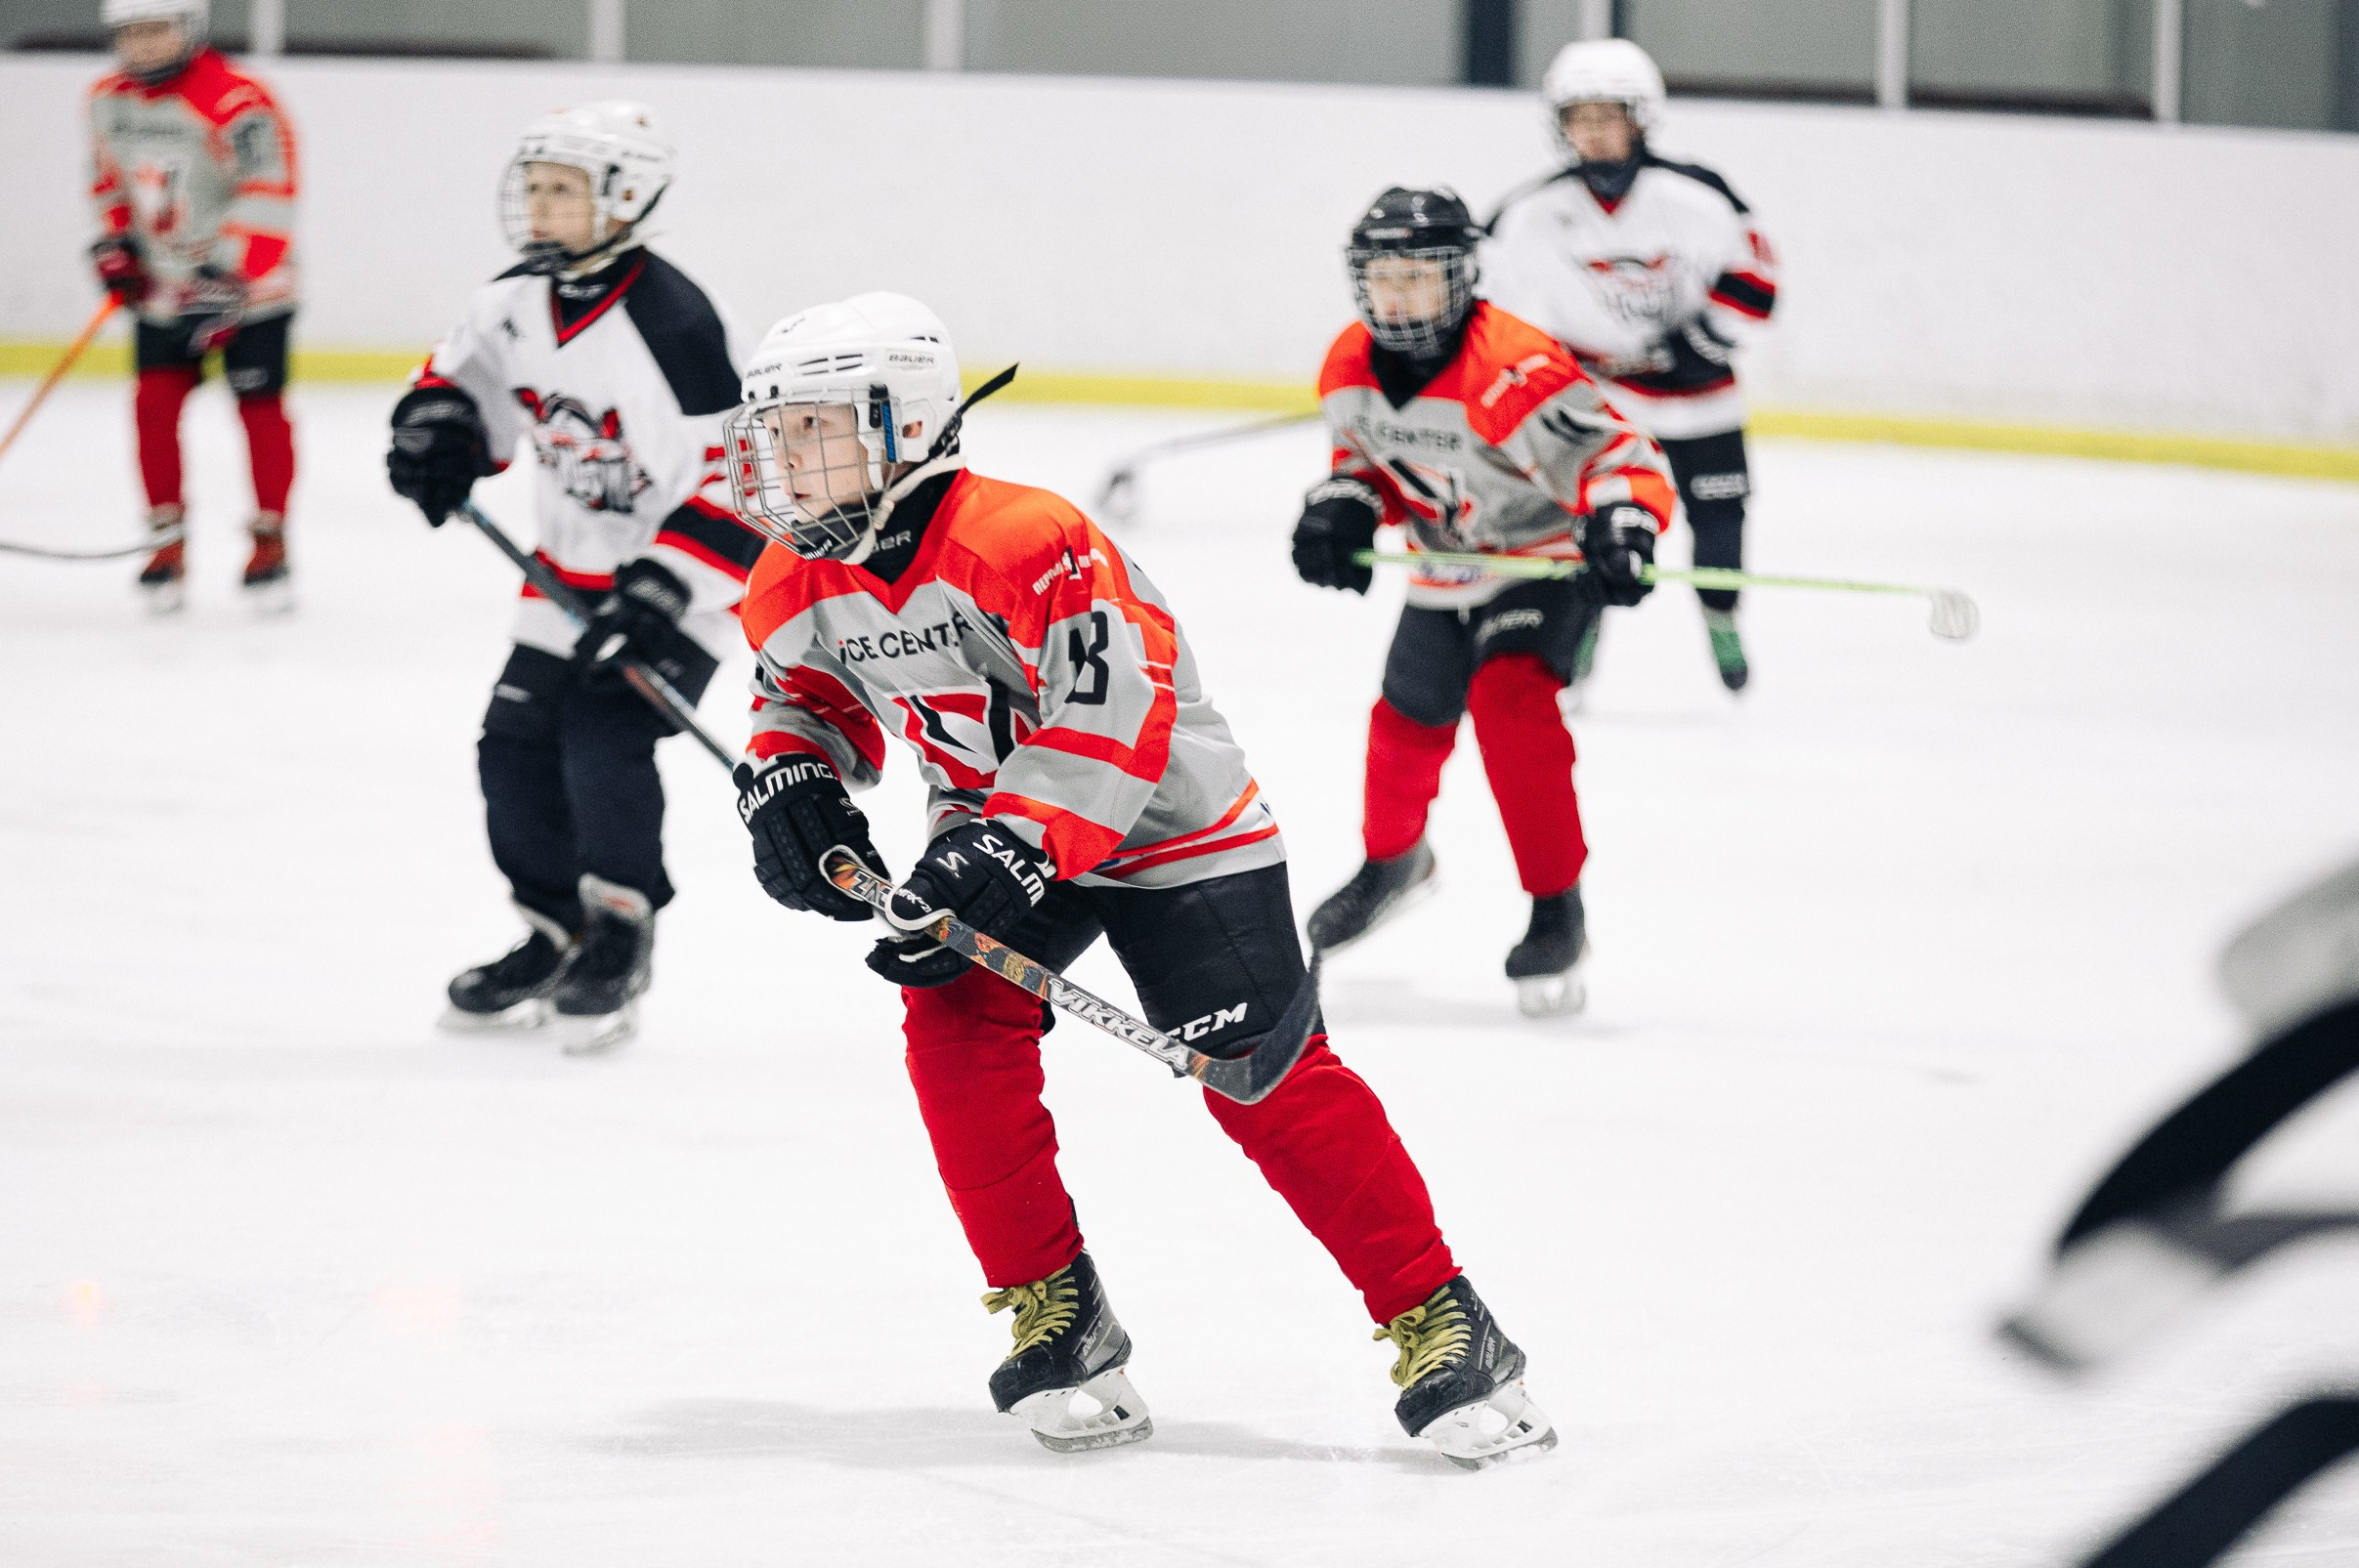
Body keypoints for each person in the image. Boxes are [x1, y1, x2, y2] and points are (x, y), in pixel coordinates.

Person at [725, 292, 1555, 1469]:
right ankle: (1057, 1311)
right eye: (773, 430)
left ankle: (1443, 1316)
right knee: (951, 1026)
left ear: (902, 424)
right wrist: (789, 776)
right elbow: (801, 700)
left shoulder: (1028, 537)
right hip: (1002, 833)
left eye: (812, 427)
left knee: (1264, 1078)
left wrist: (1005, 847)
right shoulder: (794, 576)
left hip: (1172, 826)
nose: (782, 458)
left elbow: (1115, 712)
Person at [384, 102, 759, 1054]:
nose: (539, 206)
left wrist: (663, 586)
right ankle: (556, 929)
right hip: (565, 575)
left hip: (682, 590)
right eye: (535, 187)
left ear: (625, 198)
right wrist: (436, 433)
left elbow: (744, 481)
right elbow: (454, 384)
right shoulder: (509, 301)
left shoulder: (675, 325)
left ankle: (622, 931)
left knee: (604, 740)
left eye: (564, 190)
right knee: (511, 748)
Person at [1294, 187, 1679, 1018]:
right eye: (1383, 278)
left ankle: (1557, 906)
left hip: (1543, 560)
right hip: (1445, 565)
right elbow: (1368, 467)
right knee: (1405, 720)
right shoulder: (1348, 364)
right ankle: (1395, 862)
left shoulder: (1514, 367)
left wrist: (1624, 520)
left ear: (1461, 277)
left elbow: (1623, 458)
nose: (1398, 298)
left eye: (1417, 278)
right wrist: (1344, 505)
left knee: (1511, 704)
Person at [1482, 36, 1780, 692]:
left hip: (1704, 401)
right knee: (1601, 526)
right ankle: (1580, 629)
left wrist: (1693, 348)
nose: (1593, 132)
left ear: (1641, 118)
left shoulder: (1698, 195)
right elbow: (1487, 313)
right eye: (1578, 118)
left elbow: (1757, 284)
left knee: (1720, 527)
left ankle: (1721, 615)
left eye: (1608, 116)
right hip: (1604, 404)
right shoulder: (1527, 214)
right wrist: (1543, 369)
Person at [86, 0, 300, 614]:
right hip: (164, 286)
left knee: (259, 409)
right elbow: (109, 179)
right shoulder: (107, 100)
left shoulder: (237, 100)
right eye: (131, 33)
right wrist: (117, 242)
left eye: (158, 30)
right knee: (153, 407)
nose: (144, 44)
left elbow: (270, 186)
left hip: (251, 291)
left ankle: (270, 539)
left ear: (191, 29)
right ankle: (166, 540)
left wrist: (226, 273)